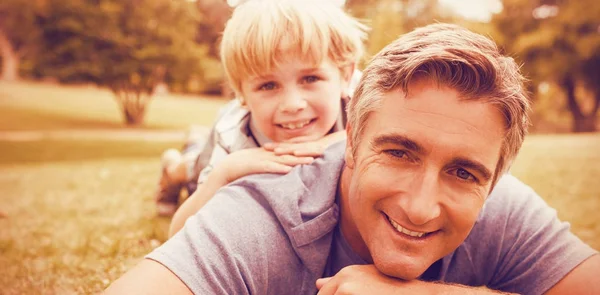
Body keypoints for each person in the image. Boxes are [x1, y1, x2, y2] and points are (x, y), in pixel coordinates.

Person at [106, 23, 599, 295]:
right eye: (400, 152)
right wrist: (219, 180)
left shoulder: (504, 206)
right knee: (197, 167)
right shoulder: (263, 207)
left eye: (463, 172)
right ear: (353, 142)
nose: (421, 208)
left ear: (493, 181)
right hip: (226, 155)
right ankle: (176, 166)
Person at [164, 0, 368, 235]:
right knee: (195, 168)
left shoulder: (363, 98)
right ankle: (173, 167)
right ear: (241, 93)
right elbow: (177, 234)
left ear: (346, 76)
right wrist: (223, 174)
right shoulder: (233, 137)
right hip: (217, 145)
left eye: (310, 79)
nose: (293, 104)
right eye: (268, 85)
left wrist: (333, 142)